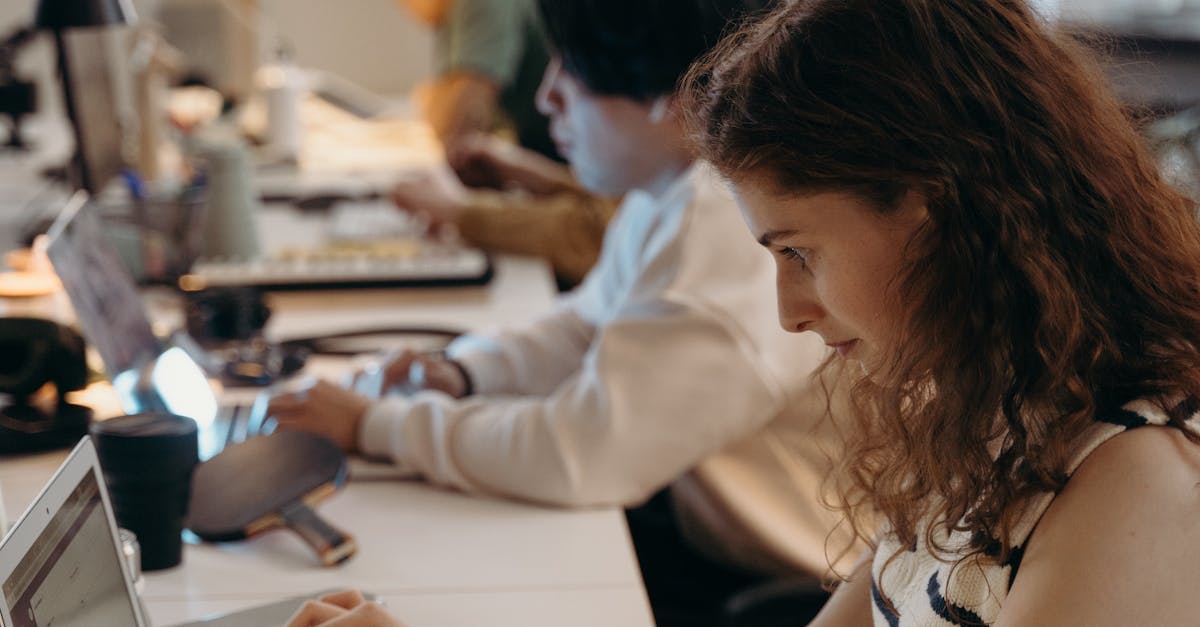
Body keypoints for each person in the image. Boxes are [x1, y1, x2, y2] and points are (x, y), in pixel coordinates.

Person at [270, 0, 859, 623]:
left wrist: (375, 426)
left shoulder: (721, 246)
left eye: (572, 70)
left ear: (675, 98)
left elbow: (577, 455)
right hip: (697, 527)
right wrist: (465, 373)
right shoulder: (676, 190)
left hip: (781, 584)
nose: (548, 96)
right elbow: (588, 322)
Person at [679, 0, 1200, 624]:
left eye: (799, 252)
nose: (790, 313)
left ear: (935, 206)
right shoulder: (986, 407)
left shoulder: (1134, 481)